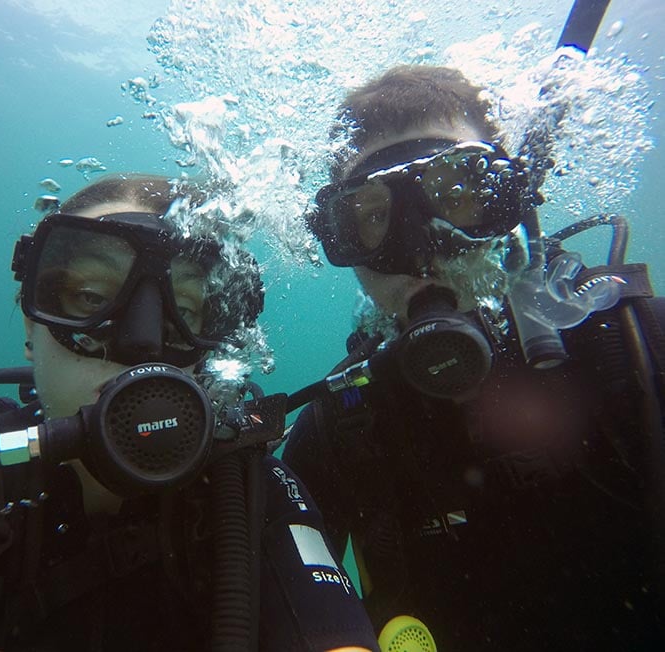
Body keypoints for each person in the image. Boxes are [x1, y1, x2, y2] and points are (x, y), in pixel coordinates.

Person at [0, 174, 378, 652]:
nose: (142, 345)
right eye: (93, 299)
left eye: (188, 310)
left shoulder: (251, 497)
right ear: (31, 327)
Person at [283, 65, 665, 651]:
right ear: (345, 242)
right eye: (375, 217)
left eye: (457, 195)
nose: (420, 252)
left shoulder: (642, 348)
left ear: (510, 204)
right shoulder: (338, 429)